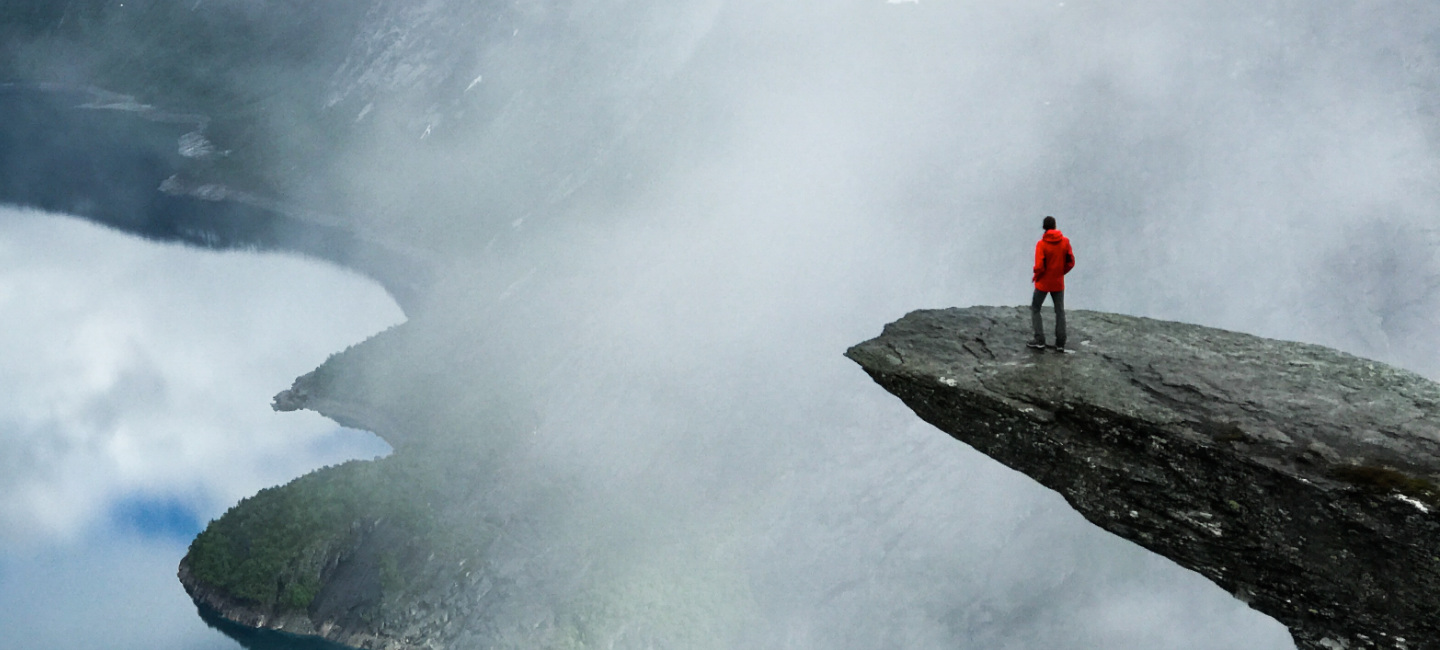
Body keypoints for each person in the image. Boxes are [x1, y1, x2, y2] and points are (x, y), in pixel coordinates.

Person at [1028, 215, 1075, 351]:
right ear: (1055, 226)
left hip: (1043, 283)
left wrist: (1037, 276)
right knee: (1059, 311)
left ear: (1044, 227)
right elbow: (1070, 262)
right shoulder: (1065, 242)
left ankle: (1040, 340)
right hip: (1058, 283)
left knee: (1036, 308)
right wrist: (1060, 272)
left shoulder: (1041, 244)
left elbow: (1039, 266)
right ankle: (1060, 343)